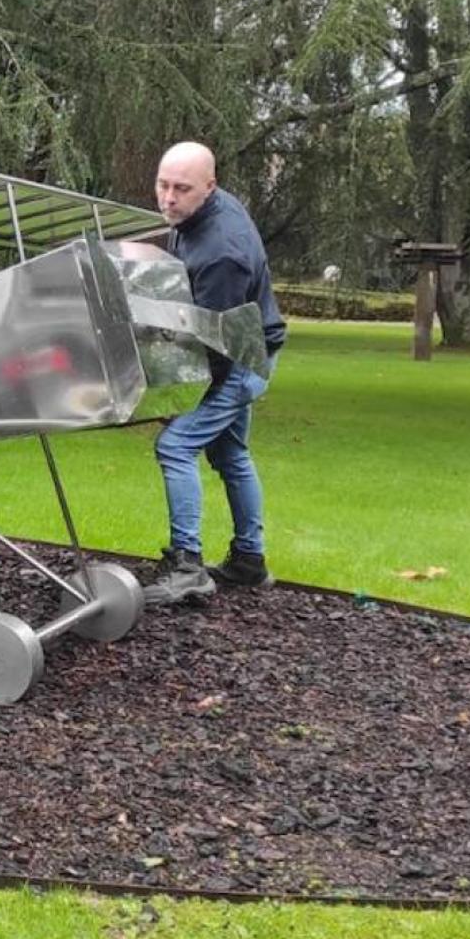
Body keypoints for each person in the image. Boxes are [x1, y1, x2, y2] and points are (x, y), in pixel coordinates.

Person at [142, 141, 288, 603]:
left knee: (175, 446)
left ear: (210, 186)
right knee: (230, 455)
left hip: (239, 357)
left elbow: (217, 347)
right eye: (163, 185)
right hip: (247, 344)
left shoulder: (223, 254)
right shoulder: (201, 212)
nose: (168, 198)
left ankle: (188, 567)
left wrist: (183, 398)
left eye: (181, 189)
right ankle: (249, 561)